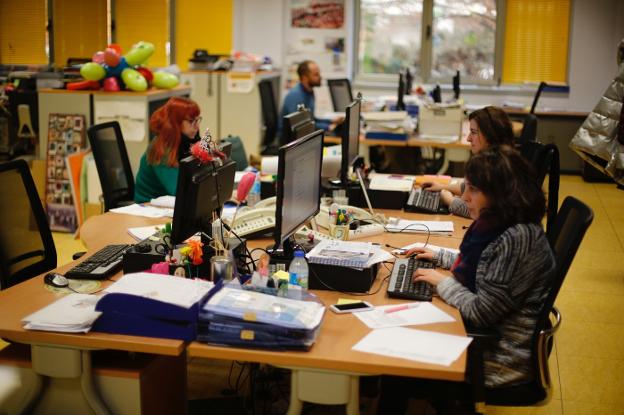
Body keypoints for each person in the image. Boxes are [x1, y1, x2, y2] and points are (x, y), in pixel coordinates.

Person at [377, 145, 556, 414]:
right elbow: (485, 265)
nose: (465, 197)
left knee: (392, 369)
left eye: (473, 190)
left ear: (498, 194)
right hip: (486, 340)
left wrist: (441, 282)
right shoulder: (503, 223)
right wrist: (439, 256)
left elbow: (482, 312)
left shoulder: (515, 239)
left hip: (495, 359)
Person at [423, 106, 515, 217]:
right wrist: (442, 186)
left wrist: (446, 197)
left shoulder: (494, 168)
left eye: (473, 132)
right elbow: (469, 187)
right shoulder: (501, 159)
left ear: (490, 135)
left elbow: (471, 209)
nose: (468, 138)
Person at [134, 97, 202, 203]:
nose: (197, 127)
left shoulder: (187, 141)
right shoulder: (161, 149)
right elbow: (178, 191)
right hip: (148, 206)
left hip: (168, 204)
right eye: (192, 121)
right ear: (176, 123)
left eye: (198, 120)